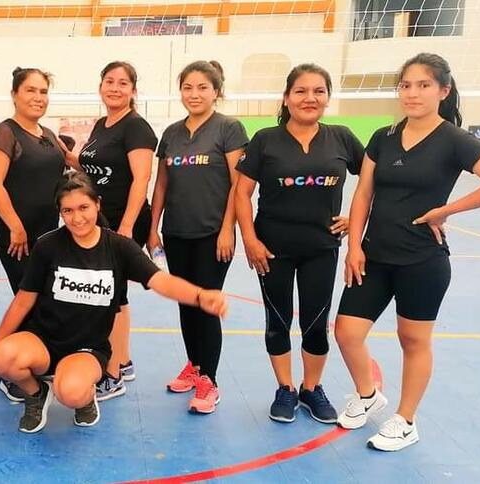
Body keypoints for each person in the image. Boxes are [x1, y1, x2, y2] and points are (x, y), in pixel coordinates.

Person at [334, 53, 480, 451]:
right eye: (405, 85)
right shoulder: (383, 137)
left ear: (443, 90)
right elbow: (363, 192)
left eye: (423, 85)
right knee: (347, 332)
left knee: (412, 340)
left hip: (422, 259)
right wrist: (353, 247)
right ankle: (368, 395)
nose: (412, 93)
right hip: (374, 255)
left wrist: (447, 210)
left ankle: (405, 420)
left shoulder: (454, 140)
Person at [0, 172, 228, 433]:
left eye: (83, 207)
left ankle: (84, 400)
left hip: (86, 348)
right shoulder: (48, 246)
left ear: (97, 204)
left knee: (71, 392)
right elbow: (22, 302)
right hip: (42, 340)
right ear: (60, 213)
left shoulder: (119, 248)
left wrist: (199, 295)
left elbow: (160, 281)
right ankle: (36, 393)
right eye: (68, 211)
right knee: (5, 358)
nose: (77, 218)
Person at [235, 63, 363, 424]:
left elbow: (373, 181)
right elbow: (242, 194)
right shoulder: (265, 139)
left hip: (322, 248)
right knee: (276, 321)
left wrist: (355, 219)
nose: (310, 98)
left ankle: (311, 388)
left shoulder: (341, 137)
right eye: (301, 91)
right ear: (287, 98)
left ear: (327, 97)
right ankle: (286, 388)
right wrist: (250, 239)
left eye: (318, 91)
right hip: (272, 249)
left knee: (315, 322)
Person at [150, 60, 247, 414]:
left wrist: (227, 230)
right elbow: (161, 183)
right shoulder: (172, 133)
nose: (195, 94)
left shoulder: (229, 129)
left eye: (202, 87)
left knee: (206, 306)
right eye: (188, 87)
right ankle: (195, 366)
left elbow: (239, 185)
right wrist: (153, 227)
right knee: (187, 303)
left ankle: (211, 381)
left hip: (211, 234)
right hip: (177, 232)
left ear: (216, 91)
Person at [0, 67, 74, 403]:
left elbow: (72, 167)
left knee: (47, 301)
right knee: (29, 301)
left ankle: (30, 361)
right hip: (18, 239)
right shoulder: (5, 134)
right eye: (31, 91)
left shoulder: (47, 134)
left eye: (43, 92)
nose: (38, 98)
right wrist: (15, 225)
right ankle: (13, 373)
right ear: (15, 95)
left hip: (48, 237)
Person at [78, 61, 158, 398]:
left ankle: (115, 373)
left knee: (112, 295)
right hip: (99, 219)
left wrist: (126, 228)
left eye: (122, 83)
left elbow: (142, 178)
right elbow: (90, 167)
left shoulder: (136, 127)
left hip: (123, 221)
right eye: (109, 81)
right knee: (108, 293)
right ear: (101, 86)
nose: (115, 88)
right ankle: (122, 361)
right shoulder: (102, 124)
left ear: (133, 90)